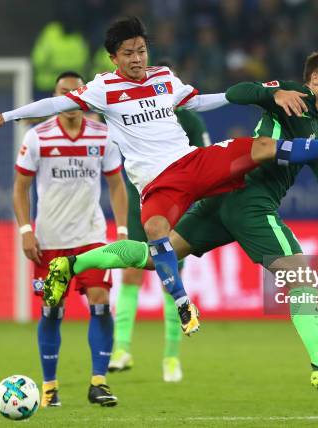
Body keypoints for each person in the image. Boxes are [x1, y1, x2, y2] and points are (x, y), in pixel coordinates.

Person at [0, 16, 318, 337]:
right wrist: (8, 116)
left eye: (141, 51)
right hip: (158, 182)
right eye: (128, 53)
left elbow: (200, 100)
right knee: (156, 234)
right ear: (114, 57)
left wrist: (265, 93)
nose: (137, 59)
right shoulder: (102, 88)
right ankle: (182, 303)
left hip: (192, 163)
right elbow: (57, 102)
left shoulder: (163, 77)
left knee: (261, 146)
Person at [45, 49, 318, 391]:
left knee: (154, 257)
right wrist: (270, 93)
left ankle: (71, 263)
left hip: (221, 200)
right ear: (316, 78)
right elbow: (240, 91)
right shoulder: (295, 95)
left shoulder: (315, 125)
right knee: (301, 278)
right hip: (251, 201)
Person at [12, 71, 127, 407]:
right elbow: (20, 189)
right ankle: (49, 388)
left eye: (76, 93)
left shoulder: (103, 135)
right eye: (63, 93)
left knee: (100, 302)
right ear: (54, 97)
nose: (70, 99)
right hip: (48, 241)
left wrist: (120, 232)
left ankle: (99, 383)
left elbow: (117, 186)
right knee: (52, 310)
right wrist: (25, 230)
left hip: (91, 237)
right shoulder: (37, 137)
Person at [109, 60, 211, 381]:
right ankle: (121, 349)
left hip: (172, 205)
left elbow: (206, 158)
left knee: (172, 281)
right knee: (130, 275)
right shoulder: (132, 109)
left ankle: (171, 358)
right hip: (139, 199)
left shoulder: (190, 121)